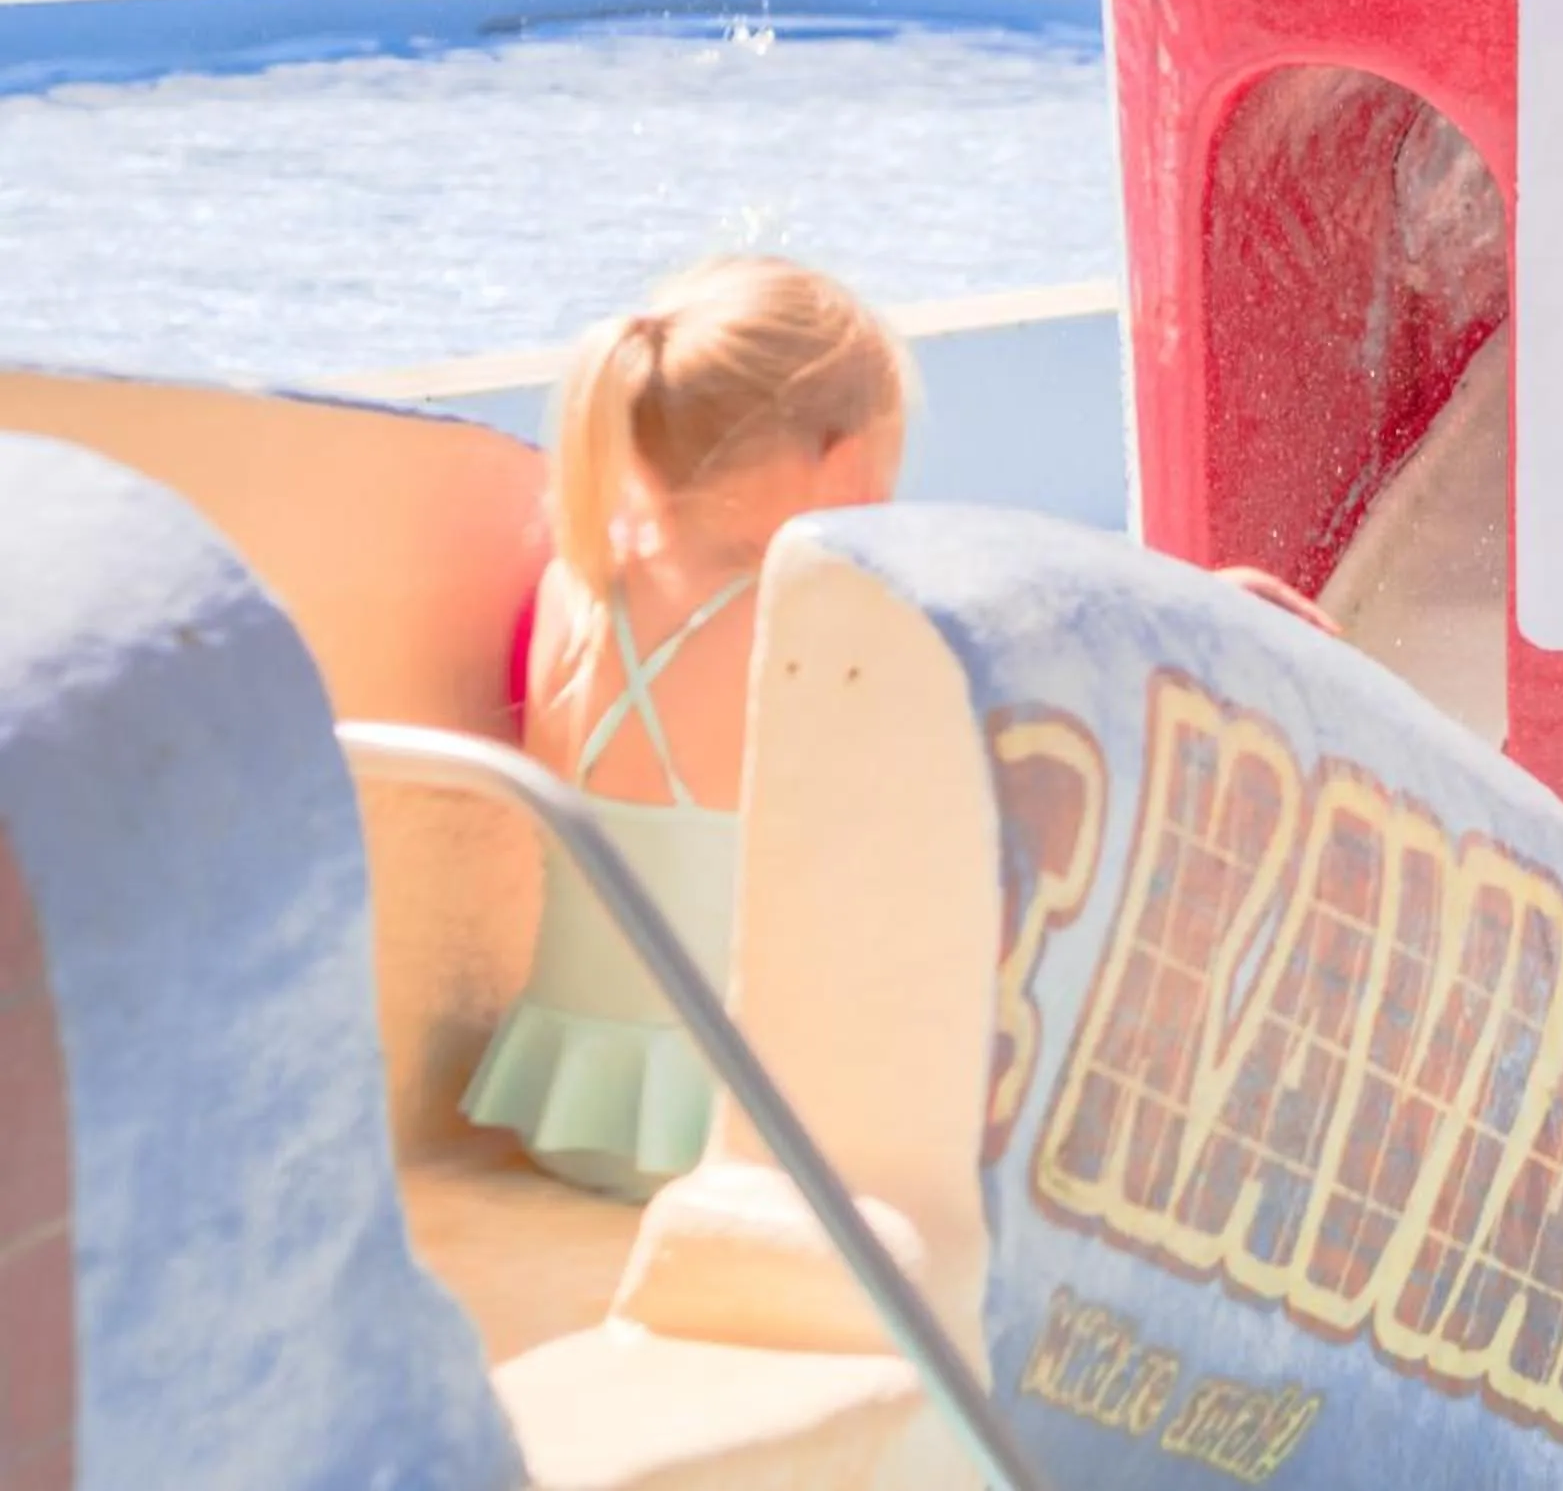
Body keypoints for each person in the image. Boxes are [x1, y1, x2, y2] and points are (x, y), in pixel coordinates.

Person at [466, 255, 1332, 1198]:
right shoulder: (822, 625)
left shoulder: (577, 587)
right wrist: (1208, 608)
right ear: (841, 466)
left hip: (574, 1111)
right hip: (757, 1137)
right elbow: (1054, 660)